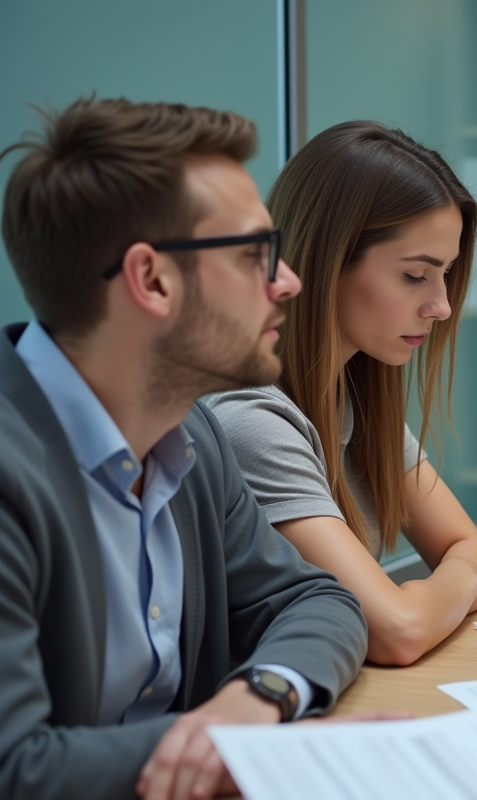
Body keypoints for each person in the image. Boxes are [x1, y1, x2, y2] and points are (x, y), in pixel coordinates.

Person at [0, 98, 369, 800]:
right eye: (254, 253)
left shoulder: (191, 436)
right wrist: (237, 754)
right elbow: (15, 768)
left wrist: (262, 693)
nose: (287, 281)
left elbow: (316, 598)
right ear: (152, 280)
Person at [206, 121, 477, 667]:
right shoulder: (252, 417)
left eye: (447, 275)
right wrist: (432, 597)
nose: (442, 306)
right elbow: (397, 632)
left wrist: (424, 597)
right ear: (325, 263)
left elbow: (475, 554)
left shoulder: (353, 396)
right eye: (415, 275)